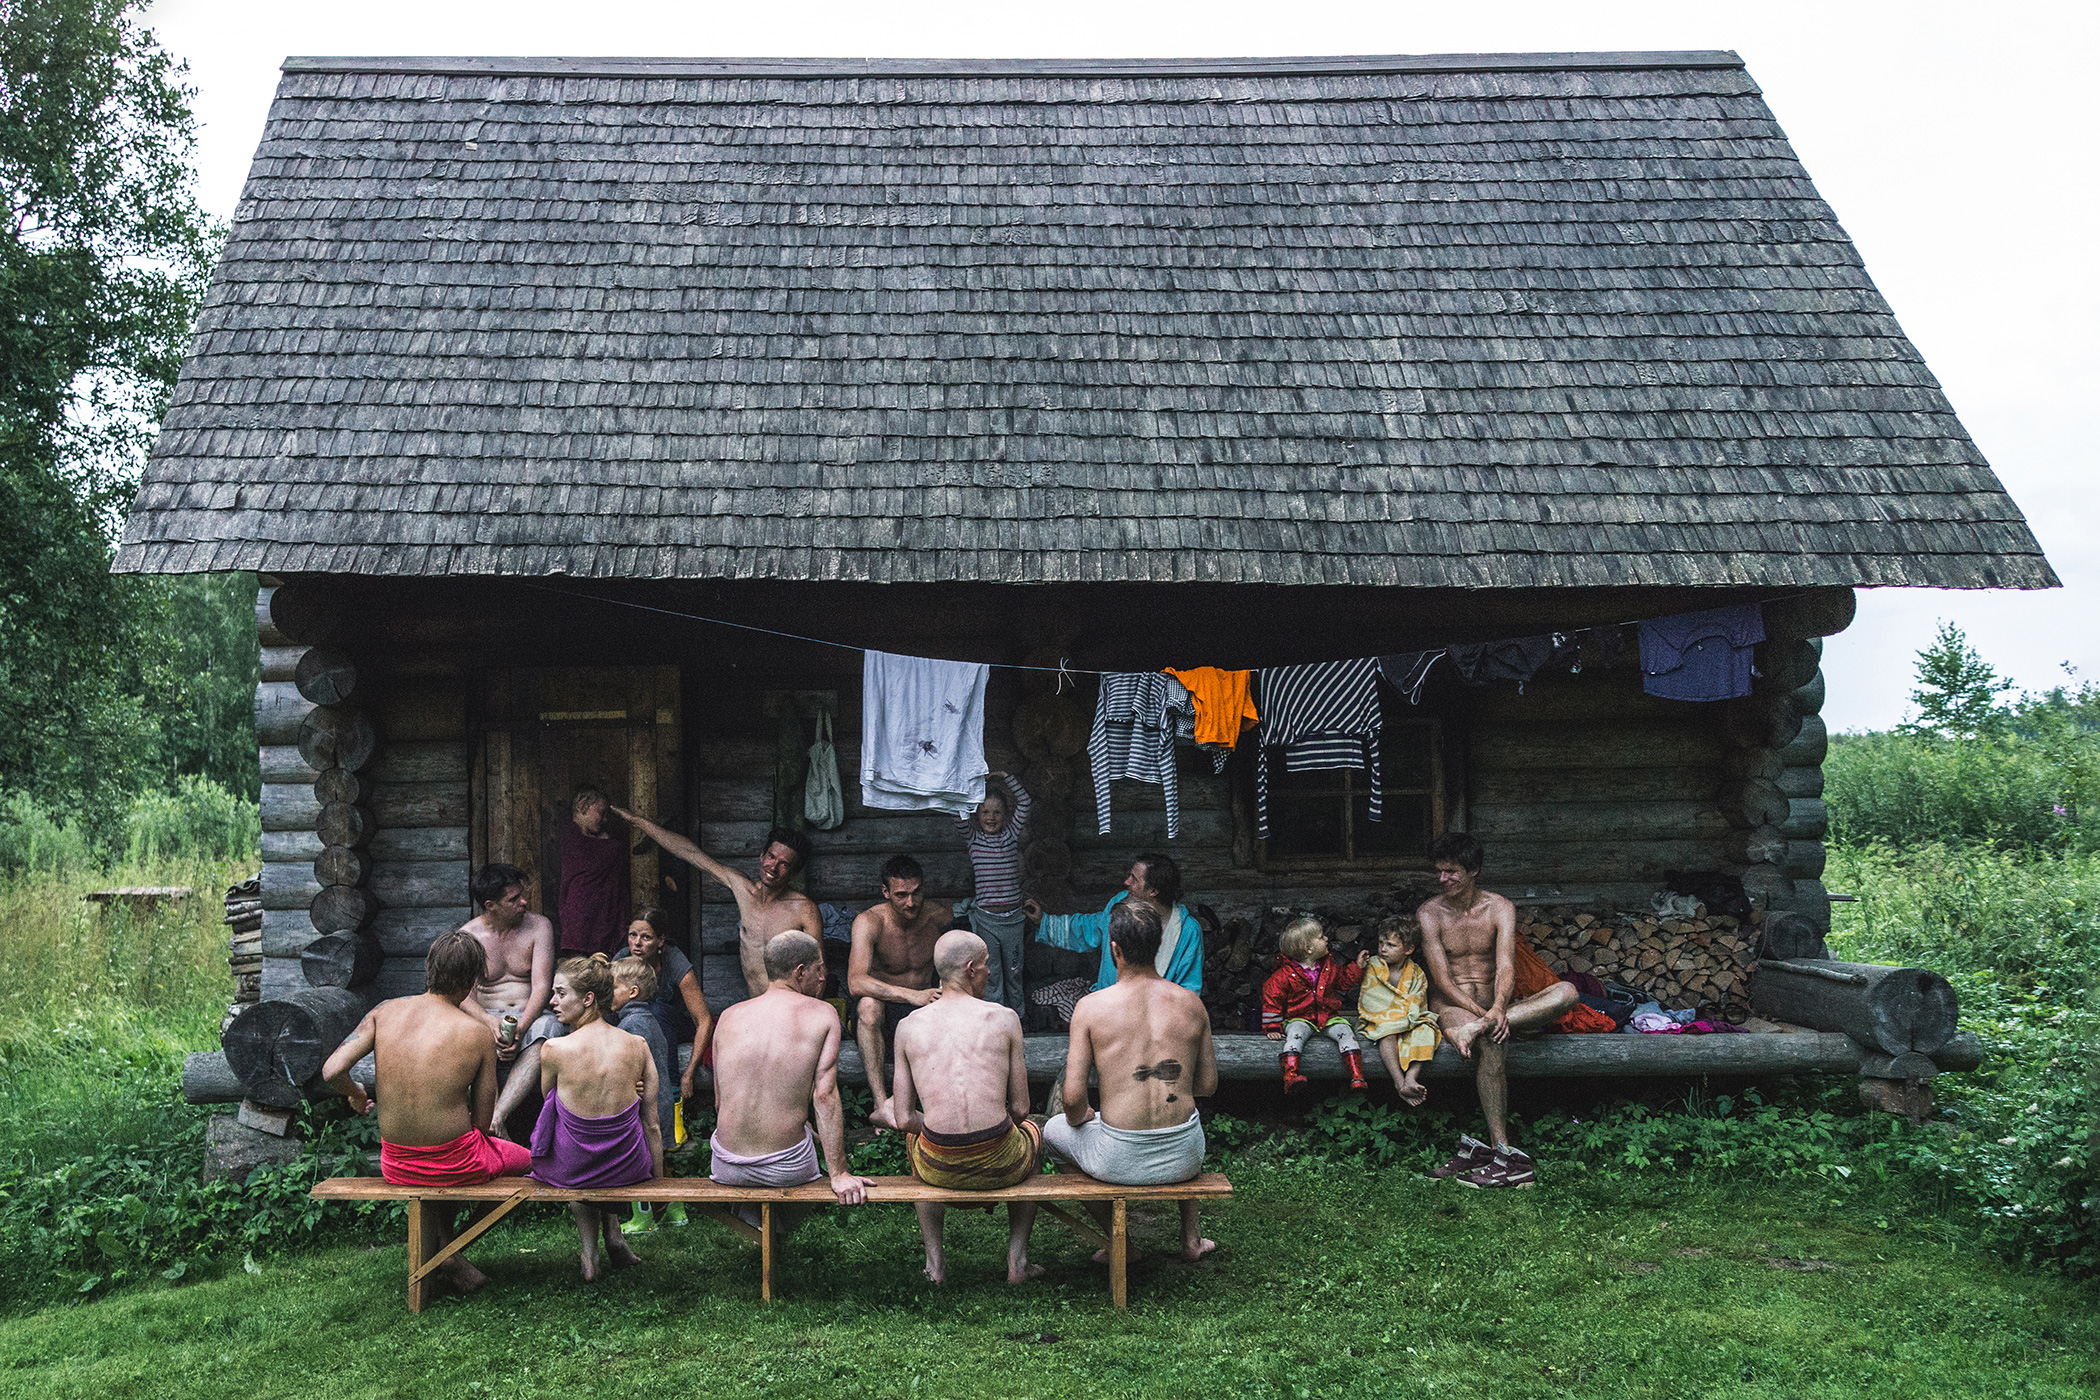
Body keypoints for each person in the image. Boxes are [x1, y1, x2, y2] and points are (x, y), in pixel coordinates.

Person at [320, 931, 527, 1297]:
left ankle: (445, 1250)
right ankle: (450, 1253)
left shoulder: (384, 1012)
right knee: (533, 1162)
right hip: (456, 1163)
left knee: (455, 1160)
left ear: (429, 968)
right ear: (470, 981)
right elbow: (482, 1124)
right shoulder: (477, 1033)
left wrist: (355, 1094)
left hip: (396, 1163)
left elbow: (332, 1070)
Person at [1045, 900, 1218, 1264]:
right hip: (1186, 1156)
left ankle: (1121, 1244)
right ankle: (1191, 1238)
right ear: (1157, 945)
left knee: (1053, 1132)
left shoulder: (1091, 1007)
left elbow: (1073, 1097)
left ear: (1115, 949)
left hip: (1119, 1160)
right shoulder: (1191, 1004)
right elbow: (1206, 1086)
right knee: (1189, 1118)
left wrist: (1082, 1120)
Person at [1417, 832, 1576, 1190]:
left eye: (1452, 872)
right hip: (1453, 1005)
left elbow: (1506, 966)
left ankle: (1482, 1028)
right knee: (1491, 1041)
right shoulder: (1429, 913)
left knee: (1567, 992)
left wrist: (1499, 1008)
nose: (1443, 879)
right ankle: (1502, 1150)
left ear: (1474, 870)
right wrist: (1484, 1016)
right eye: (1439, 872)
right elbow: (1442, 980)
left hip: (1498, 1004)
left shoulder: (1500, 907)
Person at [889, 930, 1043, 1285]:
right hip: (1003, 1163)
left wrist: (940, 1126)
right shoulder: (1004, 1018)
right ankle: (1018, 1261)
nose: (991, 971)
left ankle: (935, 1265)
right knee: (1032, 1131)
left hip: (938, 1167)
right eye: (987, 964)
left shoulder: (908, 1026)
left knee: (914, 1141)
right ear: (971, 969)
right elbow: (1020, 1108)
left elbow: (901, 1117)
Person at [707, 930, 870, 1225]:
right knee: (801, 1141)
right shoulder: (823, 1013)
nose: (823, 978)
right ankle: (771, 1233)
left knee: (802, 1131)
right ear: (800, 971)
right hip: (785, 1167)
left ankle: (757, 1231)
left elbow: (721, 1103)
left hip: (725, 1164)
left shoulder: (729, 1016)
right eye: (820, 970)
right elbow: (825, 1096)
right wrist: (840, 1173)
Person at [529, 954, 663, 1280]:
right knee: (597, 1145)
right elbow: (652, 1124)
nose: (552, 1001)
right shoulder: (637, 1044)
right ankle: (612, 1240)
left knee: (570, 1132)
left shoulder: (554, 1049)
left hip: (573, 1166)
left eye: (561, 993)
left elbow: (548, 1097)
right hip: (625, 1165)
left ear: (588, 999)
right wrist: (660, 1186)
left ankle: (589, 1255)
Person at [613, 807, 821, 1000]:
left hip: (791, 1007)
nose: (773, 867)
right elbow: (690, 853)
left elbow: (819, 971)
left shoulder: (804, 909)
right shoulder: (743, 890)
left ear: (793, 873)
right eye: (771, 857)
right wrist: (637, 821)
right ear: (761, 856)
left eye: (784, 864)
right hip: (755, 1004)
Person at [848, 854, 952, 1128]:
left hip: (926, 1007)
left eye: (916, 893)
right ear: (886, 892)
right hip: (889, 1007)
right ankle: (881, 1103)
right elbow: (856, 981)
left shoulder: (938, 917)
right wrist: (911, 995)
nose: (911, 902)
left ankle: (940, 1107)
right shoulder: (870, 921)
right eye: (901, 895)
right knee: (867, 1006)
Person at [462, 863, 559, 1137]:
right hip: (486, 1017)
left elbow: (542, 985)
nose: (524, 902)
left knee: (550, 1028)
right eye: (513, 899)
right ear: (491, 905)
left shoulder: (539, 926)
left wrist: (521, 1028)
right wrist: (491, 1024)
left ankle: (497, 1117)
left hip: (529, 1015)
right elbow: (464, 997)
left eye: (521, 895)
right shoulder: (469, 937)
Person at [1026, 852, 1202, 999]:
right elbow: (1091, 928)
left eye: (1134, 879)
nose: (1127, 882)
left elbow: (1189, 990)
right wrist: (1044, 921)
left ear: (1153, 891)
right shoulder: (1120, 902)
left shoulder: (1187, 931)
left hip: (1155, 1021)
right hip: (1110, 1009)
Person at [608, 956, 688, 1236]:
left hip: (647, 1106)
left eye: (613, 987)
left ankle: (643, 1217)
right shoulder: (646, 1020)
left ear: (632, 992)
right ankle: (674, 1209)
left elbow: (633, 1066)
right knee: (656, 1160)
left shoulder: (633, 1026)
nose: (608, 993)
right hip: (662, 1100)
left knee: (638, 1162)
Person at [615, 907, 714, 1101]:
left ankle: (672, 1093)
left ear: (660, 941)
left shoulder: (674, 960)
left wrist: (689, 1074)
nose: (637, 943)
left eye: (646, 937)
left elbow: (704, 1020)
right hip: (635, 1031)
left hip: (673, 1025)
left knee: (656, 1010)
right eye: (632, 935)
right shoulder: (622, 959)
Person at [1261, 916, 1368, 1093]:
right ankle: (1290, 1076)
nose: (1326, 939)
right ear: (1308, 948)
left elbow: (1344, 981)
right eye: (1320, 937)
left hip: (1328, 1017)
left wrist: (1357, 967)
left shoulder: (1328, 968)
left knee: (1346, 1032)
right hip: (1299, 1017)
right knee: (1295, 1036)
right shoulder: (1284, 975)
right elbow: (1273, 999)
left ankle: (1357, 1076)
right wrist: (1272, 1026)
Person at [955, 771, 1032, 1014]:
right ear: (977, 814)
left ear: (1006, 816)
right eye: (985, 812)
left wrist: (1005, 777)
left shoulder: (1010, 835)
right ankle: (996, 1019)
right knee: (992, 973)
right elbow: (957, 811)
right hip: (986, 920)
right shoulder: (973, 839)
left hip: (1013, 920)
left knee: (1014, 971)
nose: (991, 817)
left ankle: (1018, 1019)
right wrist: (974, 783)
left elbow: (1026, 802)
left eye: (997, 812)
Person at [1356, 915, 1440, 1108]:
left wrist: (1405, 1019)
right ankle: (1398, 1081)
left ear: (1408, 949)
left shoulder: (1416, 972)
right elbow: (1371, 996)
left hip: (1409, 1019)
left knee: (1427, 1031)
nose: (1383, 949)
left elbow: (1418, 998)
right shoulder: (1373, 966)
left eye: (1391, 945)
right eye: (1381, 943)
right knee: (1387, 1032)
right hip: (1381, 1020)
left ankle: (1411, 1078)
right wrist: (1358, 968)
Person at [557, 785, 630, 957]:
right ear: (582, 807)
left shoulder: (599, 840)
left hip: (605, 912)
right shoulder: (571, 837)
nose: (604, 820)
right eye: (601, 813)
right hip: (581, 914)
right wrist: (609, 844)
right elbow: (597, 859)